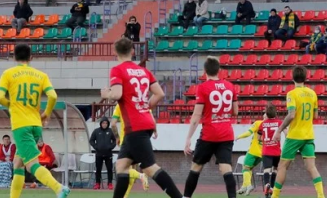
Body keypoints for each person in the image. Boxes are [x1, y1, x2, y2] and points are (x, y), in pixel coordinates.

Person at [101, 38, 183, 198]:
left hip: (135, 126)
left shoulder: (118, 70)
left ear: (115, 52)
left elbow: (116, 94)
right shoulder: (144, 71)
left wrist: (106, 94)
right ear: (132, 51)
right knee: (122, 165)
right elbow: (160, 93)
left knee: (150, 168)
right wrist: (145, 107)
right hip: (145, 122)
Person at [0, 44, 71, 198]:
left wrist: (12, 105)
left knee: (31, 165)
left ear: (14, 57)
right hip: (36, 124)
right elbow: (53, 96)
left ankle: (58, 188)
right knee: (18, 164)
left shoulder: (8, 73)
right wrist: (47, 113)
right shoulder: (41, 75)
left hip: (21, 125)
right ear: (31, 58)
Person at [182, 57, 238, 198]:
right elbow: (235, 111)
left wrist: (188, 138)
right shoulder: (230, 86)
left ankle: (186, 197)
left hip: (209, 134)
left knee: (196, 167)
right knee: (226, 168)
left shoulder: (203, 88)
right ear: (219, 70)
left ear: (205, 71)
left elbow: (196, 116)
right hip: (226, 133)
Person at [268, 66, 325, 198]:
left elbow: (291, 114)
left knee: (282, 166)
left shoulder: (291, 94)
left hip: (294, 136)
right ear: (305, 78)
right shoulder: (312, 93)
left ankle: (274, 196)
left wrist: (279, 130)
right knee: (312, 167)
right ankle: (321, 195)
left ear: (292, 77)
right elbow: (315, 116)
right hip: (308, 135)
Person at [234, 112, 266, 196]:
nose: (264, 114)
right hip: (262, 153)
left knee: (245, 168)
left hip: (253, 151)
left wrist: (239, 136)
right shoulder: (272, 126)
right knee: (249, 169)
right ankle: (244, 187)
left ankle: (248, 185)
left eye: (265, 113)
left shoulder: (258, 123)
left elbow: (249, 133)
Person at [256, 106, 283, 198]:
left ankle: (266, 184)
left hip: (266, 150)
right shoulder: (279, 122)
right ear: (276, 113)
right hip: (276, 151)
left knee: (266, 170)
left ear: (266, 114)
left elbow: (258, 138)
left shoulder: (262, 124)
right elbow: (287, 133)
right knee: (275, 170)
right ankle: (271, 187)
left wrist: (265, 140)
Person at [90, 117, 116, 190]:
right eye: (103, 123)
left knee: (109, 169)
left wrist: (111, 147)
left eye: (106, 123)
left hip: (108, 154)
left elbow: (115, 140)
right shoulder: (96, 131)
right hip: (99, 154)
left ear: (108, 124)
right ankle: (97, 183)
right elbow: (91, 140)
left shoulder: (110, 131)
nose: (104, 124)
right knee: (98, 169)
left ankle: (110, 183)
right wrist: (96, 147)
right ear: (101, 123)